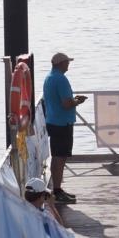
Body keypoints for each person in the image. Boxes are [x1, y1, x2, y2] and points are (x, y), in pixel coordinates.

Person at [42, 52, 87, 204]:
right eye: (67, 62)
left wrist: (73, 100)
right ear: (61, 63)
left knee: (57, 156)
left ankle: (57, 189)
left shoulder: (49, 77)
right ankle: (57, 190)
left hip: (53, 121)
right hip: (62, 123)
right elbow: (66, 103)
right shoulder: (61, 79)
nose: (68, 65)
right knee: (60, 158)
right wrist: (77, 101)